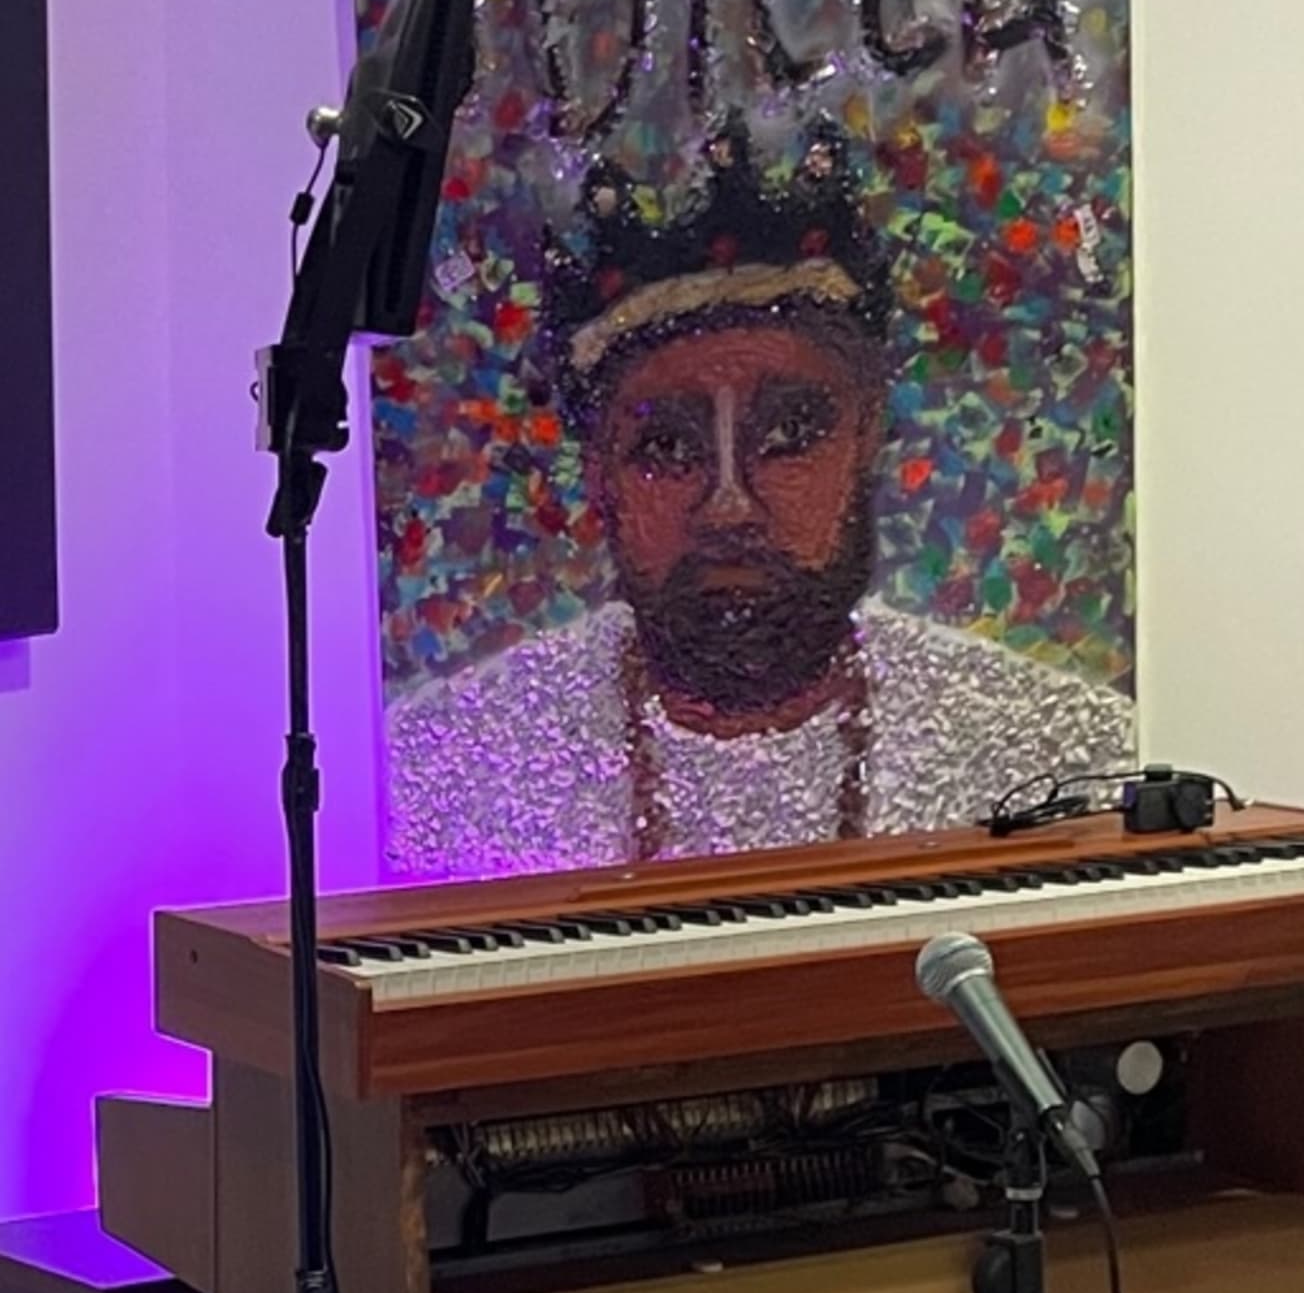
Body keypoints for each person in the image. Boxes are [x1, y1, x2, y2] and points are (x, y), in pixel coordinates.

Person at [382, 117, 1131, 873]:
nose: (729, 505)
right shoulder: (437, 768)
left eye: (791, 434)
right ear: (599, 473)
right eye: (666, 448)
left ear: (867, 437)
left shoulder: (1057, 753)